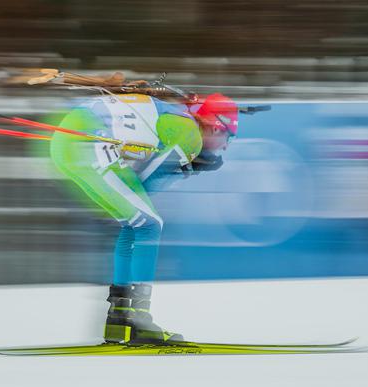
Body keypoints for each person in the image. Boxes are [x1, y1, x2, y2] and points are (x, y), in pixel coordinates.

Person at [50, 92, 238, 344]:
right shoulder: (189, 134)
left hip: (70, 145)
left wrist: (185, 167)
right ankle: (139, 319)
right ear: (215, 126)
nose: (225, 146)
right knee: (150, 225)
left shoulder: (176, 119)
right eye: (228, 136)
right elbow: (146, 184)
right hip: (89, 146)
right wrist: (187, 167)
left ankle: (119, 318)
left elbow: (139, 192)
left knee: (134, 224)